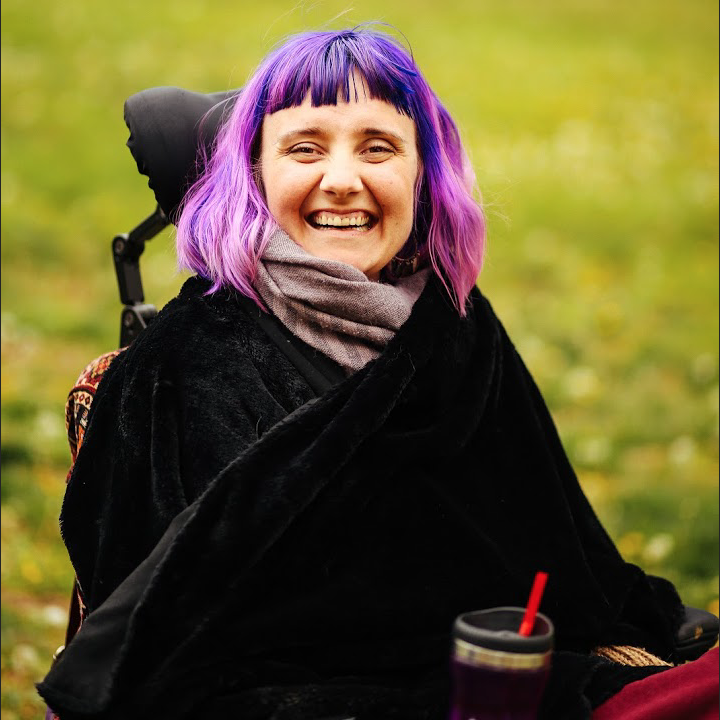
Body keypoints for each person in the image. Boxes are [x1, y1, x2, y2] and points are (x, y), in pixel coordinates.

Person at [38, 26, 717, 720]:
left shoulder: (454, 322)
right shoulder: (182, 370)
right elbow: (180, 660)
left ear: (422, 174)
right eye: (305, 148)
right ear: (254, 172)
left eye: (378, 148)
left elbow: (556, 545)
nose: (342, 180)